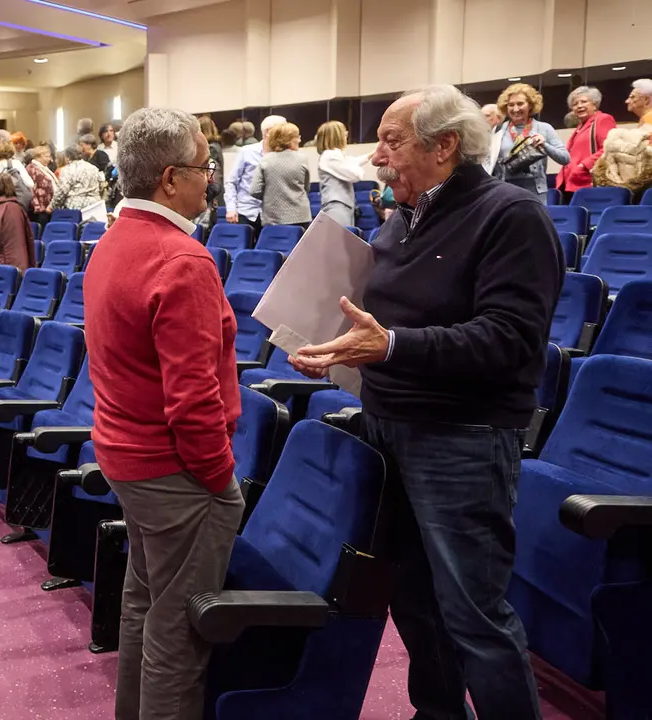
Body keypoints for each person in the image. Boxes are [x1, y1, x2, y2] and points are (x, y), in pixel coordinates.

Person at [290, 84, 562, 720]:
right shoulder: (401, 217)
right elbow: (382, 325)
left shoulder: (510, 215)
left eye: (392, 141)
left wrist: (390, 346)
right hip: (387, 427)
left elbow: (512, 339)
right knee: (411, 598)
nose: (379, 158)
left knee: (474, 615)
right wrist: (335, 345)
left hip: (459, 438)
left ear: (446, 146)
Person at [84, 107, 244, 720]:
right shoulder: (183, 261)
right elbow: (193, 400)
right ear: (171, 178)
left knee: (146, 608)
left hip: (128, 458)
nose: (211, 179)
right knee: (178, 635)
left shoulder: (111, 244)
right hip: (174, 471)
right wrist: (218, 481)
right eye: (205, 168)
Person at [487, 82, 568, 203]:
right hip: (504, 191)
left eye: (520, 104)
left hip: (535, 192)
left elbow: (565, 159)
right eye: (511, 105)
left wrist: (544, 145)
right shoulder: (498, 131)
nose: (515, 109)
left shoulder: (544, 128)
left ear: (530, 105)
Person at [222, 114, 286, 235]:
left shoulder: (282, 155)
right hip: (246, 212)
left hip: (273, 216)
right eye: (281, 131)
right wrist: (231, 209)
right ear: (268, 132)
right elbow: (231, 182)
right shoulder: (247, 152)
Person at [591, 79, 652, 198]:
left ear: (646, 100)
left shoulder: (649, 118)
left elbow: (646, 154)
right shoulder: (645, 119)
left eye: (632, 97)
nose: (627, 101)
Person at [557, 86, 617, 201]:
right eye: (575, 104)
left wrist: (583, 166)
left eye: (584, 102)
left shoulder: (603, 119)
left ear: (594, 104)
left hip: (587, 181)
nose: (579, 106)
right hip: (570, 182)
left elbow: (608, 148)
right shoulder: (580, 126)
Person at [250, 122, 312, 228]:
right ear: (288, 139)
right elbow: (306, 188)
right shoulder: (302, 159)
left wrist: (271, 197)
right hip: (301, 217)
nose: (300, 140)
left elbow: (254, 191)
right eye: (297, 137)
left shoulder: (266, 160)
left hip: (273, 217)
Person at [316, 120, 370, 226]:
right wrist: (358, 169)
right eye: (344, 133)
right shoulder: (330, 156)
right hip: (337, 207)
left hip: (342, 205)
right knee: (339, 240)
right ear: (337, 136)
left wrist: (372, 154)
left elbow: (352, 161)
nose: (346, 136)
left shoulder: (334, 155)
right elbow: (355, 175)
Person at [52, 147, 107, 212]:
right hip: (94, 206)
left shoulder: (67, 170)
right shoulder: (93, 167)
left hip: (74, 208)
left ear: (68, 157)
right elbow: (102, 185)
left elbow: (62, 191)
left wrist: (52, 206)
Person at [26, 145, 58, 226]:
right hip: (39, 209)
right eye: (46, 157)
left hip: (47, 207)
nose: (49, 159)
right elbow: (31, 189)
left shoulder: (44, 168)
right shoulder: (31, 169)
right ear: (38, 157)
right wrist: (37, 206)